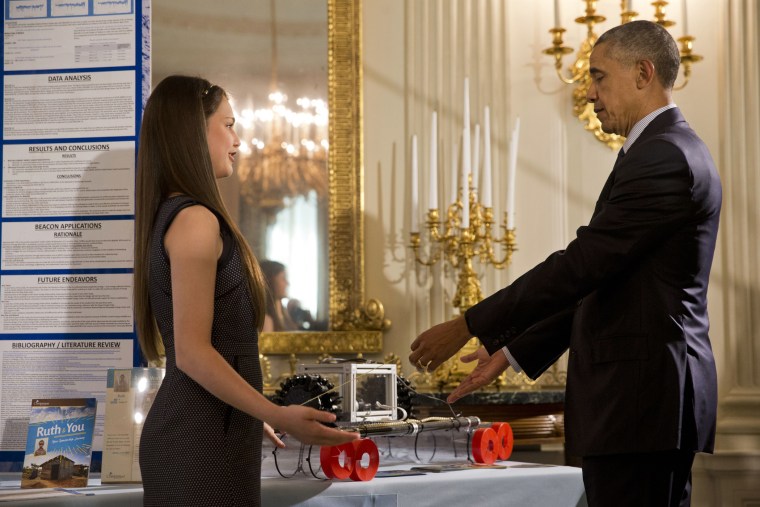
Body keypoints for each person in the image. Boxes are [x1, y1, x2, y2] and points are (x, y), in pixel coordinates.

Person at [409, 20, 720, 507]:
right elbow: (603, 279)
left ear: (643, 72)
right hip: (638, 403)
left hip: (641, 401)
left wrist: (469, 322)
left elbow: (581, 265)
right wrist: (511, 353)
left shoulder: (665, 155)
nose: (590, 93)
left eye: (599, 77)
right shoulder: (659, 150)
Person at [134, 75, 357, 506]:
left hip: (213, 430)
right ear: (192, 133)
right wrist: (275, 412)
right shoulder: (196, 219)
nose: (238, 140)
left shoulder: (179, 215)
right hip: (197, 438)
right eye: (229, 124)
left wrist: (254, 414)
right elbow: (194, 353)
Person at [260, 260, 298, 332]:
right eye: (283, 278)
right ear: (270, 281)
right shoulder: (266, 320)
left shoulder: (284, 313)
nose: (287, 283)